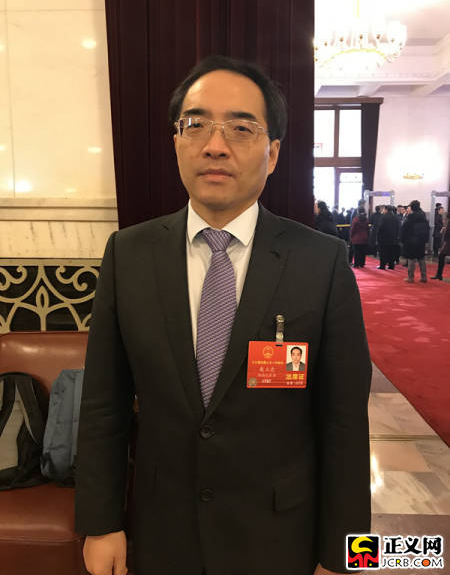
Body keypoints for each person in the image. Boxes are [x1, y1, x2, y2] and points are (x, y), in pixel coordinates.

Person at [75, 55, 371, 575]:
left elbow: (344, 423)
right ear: (176, 142)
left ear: (272, 153)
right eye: (196, 125)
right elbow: (104, 405)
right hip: (163, 533)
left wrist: (350, 558)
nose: (215, 145)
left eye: (240, 127)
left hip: (281, 536)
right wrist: (100, 524)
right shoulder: (129, 254)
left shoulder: (321, 262)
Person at [401, 200, 430, 283]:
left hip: (411, 241)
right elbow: (427, 229)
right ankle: (424, 277)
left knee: (411, 259)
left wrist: (403, 240)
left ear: (412, 207)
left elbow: (404, 229)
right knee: (421, 258)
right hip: (421, 241)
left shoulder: (410, 217)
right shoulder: (423, 216)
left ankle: (410, 277)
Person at [377, 205, 399, 270]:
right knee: (391, 253)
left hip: (384, 238)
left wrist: (378, 236)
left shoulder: (383, 217)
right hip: (393, 238)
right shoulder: (395, 217)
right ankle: (391, 266)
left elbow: (380, 228)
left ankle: (382, 266)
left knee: (383, 253)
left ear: (386, 210)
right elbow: (398, 228)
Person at [431, 211, 449, 280]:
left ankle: (439, 274)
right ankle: (439, 274)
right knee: (441, 256)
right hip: (447, 242)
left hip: (448, 243)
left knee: (441, 255)